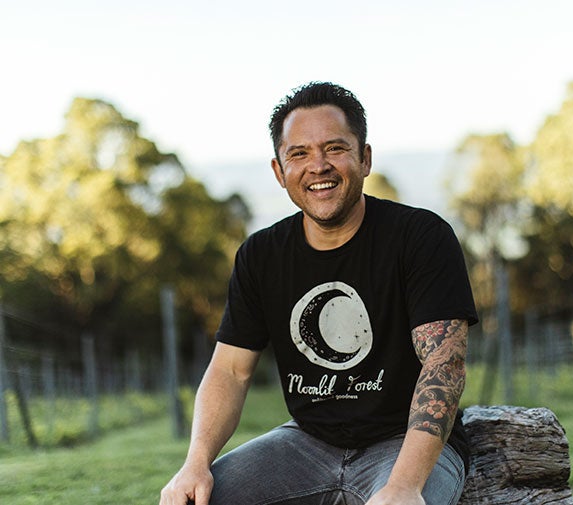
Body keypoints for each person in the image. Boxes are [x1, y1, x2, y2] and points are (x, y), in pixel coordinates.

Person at [159, 82, 478, 505]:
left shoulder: (420, 237)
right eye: (299, 154)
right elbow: (231, 371)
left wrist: (403, 486)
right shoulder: (261, 255)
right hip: (307, 443)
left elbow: (443, 364)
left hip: (404, 444)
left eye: (335, 148)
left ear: (365, 159)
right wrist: (195, 462)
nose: (318, 166)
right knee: (196, 500)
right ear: (279, 172)